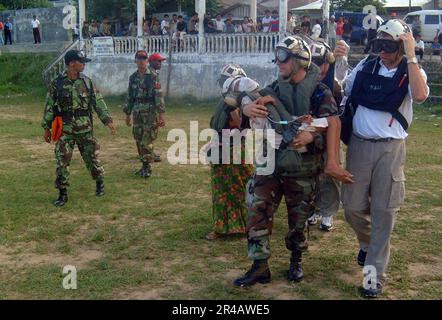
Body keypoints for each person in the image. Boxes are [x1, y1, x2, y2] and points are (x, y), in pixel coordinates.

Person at [233, 36, 340, 287]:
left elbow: (332, 122)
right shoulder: (273, 89)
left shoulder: (319, 93)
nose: (278, 62)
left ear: (300, 60)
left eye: (284, 57)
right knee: (256, 209)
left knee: (298, 220)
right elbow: (245, 108)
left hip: (302, 167)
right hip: (270, 163)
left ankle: (296, 260)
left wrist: (312, 131)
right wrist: (246, 109)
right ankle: (259, 266)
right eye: (277, 56)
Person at [341, 19, 429, 298]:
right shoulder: (366, 66)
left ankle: (372, 277)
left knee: (384, 212)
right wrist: (338, 61)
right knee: (352, 207)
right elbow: (343, 89)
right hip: (359, 145)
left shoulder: (411, 69)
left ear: (402, 46)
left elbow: (420, 95)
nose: (383, 52)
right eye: (379, 45)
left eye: (389, 46)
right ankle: (368, 244)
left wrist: (412, 56)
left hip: (391, 149)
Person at [42, 50, 116, 207]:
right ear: (71, 63)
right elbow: (49, 105)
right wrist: (46, 127)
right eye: (81, 61)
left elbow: (98, 102)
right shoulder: (57, 83)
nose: (84, 64)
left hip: (85, 129)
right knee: (62, 161)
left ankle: (99, 183)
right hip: (66, 130)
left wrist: (107, 120)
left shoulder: (87, 82)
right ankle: (62, 194)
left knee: (92, 158)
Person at [206, 64, 255, 240]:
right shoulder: (225, 100)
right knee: (222, 189)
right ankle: (223, 227)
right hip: (222, 147)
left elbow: (237, 124)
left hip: (232, 148)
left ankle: (242, 226)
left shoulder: (235, 103)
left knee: (236, 188)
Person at [123, 51, 166, 178]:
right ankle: (144, 165)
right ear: (135, 61)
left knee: (147, 140)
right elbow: (130, 96)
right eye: (139, 58)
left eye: (144, 58)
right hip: (137, 112)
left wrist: (161, 115)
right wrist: (127, 114)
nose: (141, 61)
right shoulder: (133, 77)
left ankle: (147, 168)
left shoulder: (153, 76)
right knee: (138, 138)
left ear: (147, 61)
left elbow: (158, 96)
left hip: (150, 112)